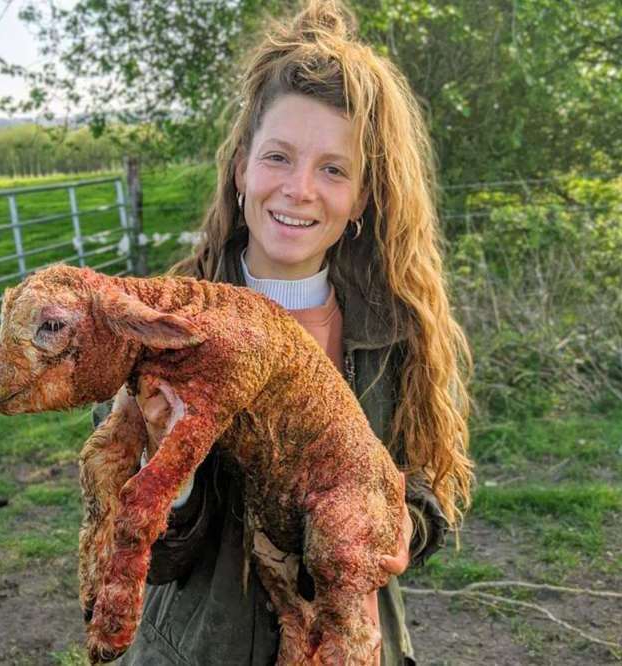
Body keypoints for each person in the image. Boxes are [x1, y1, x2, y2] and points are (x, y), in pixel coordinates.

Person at [91, 1, 472, 663]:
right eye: (278, 157)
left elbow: (425, 500)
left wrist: (390, 528)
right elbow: (149, 557)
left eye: (333, 169)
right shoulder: (161, 327)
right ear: (241, 168)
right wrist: (167, 475)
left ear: (361, 198)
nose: (299, 190)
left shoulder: (392, 332)